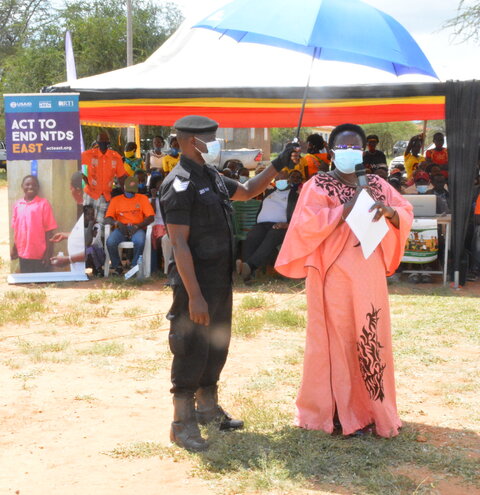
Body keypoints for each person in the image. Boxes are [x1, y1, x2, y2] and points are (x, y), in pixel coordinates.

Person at [160, 115, 299, 452]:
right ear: (192, 142)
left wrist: (279, 164)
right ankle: (182, 423)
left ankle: (208, 409)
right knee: (191, 347)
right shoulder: (179, 184)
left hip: (220, 279)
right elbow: (179, 244)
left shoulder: (212, 177)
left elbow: (250, 190)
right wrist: (194, 296)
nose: (216, 143)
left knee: (217, 345)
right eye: (211, 138)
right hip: (195, 284)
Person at [275, 123, 413, 438]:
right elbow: (304, 227)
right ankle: (337, 411)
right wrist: (345, 208)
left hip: (370, 273)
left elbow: (403, 212)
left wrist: (389, 211)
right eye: (343, 146)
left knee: (369, 335)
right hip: (334, 273)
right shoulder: (318, 185)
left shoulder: (377, 182)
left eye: (355, 147)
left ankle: (370, 409)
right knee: (338, 338)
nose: (349, 152)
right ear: (332, 150)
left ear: (364, 151)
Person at [236, 170, 300, 282]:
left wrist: (287, 225)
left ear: (289, 180)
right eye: (277, 179)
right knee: (251, 236)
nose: (279, 181)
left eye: (283, 179)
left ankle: (249, 266)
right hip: (262, 224)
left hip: (281, 227)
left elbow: (299, 214)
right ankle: (247, 275)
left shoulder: (294, 195)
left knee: (272, 236)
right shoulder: (270, 192)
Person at [104, 175, 155, 275]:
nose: (131, 194)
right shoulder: (116, 200)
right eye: (129, 191)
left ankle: (134, 266)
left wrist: (138, 226)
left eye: (133, 192)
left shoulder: (142, 198)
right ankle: (117, 266)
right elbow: (107, 218)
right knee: (110, 242)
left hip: (137, 228)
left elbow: (151, 217)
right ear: (124, 188)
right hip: (121, 228)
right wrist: (117, 223)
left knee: (140, 241)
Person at [11, 175, 57, 273]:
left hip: (40, 255)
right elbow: (17, 231)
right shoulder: (18, 205)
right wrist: (14, 248)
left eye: (34, 185)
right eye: (27, 184)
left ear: (38, 188)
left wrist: (48, 254)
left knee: (40, 284)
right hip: (22, 254)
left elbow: (49, 231)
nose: (30, 187)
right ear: (22, 186)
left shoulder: (43, 204)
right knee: (27, 282)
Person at [82, 131, 127, 225]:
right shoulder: (89, 154)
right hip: (90, 194)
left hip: (106, 196)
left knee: (101, 225)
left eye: (105, 140)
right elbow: (74, 162)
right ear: (97, 142)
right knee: (86, 224)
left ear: (108, 142)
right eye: (100, 140)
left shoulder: (116, 157)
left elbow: (121, 177)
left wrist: (125, 194)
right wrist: (85, 179)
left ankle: (99, 239)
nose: (103, 142)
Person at [50, 171, 88, 273]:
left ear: (78, 191)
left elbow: (94, 249)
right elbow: (86, 236)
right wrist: (67, 235)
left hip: (87, 277)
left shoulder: (91, 213)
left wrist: (68, 259)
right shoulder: (86, 211)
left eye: (71, 189)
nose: (71, 192)